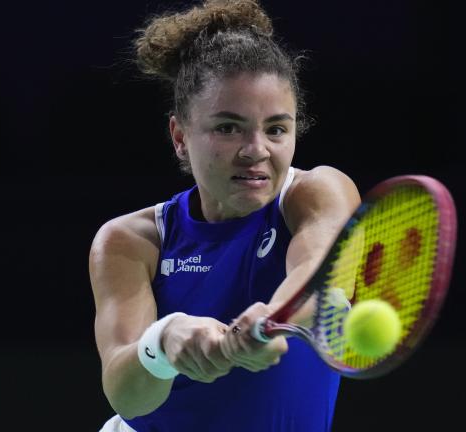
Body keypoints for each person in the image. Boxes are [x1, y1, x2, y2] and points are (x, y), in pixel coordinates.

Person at [89, 1, 361, 430]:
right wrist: (164, 341)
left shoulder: (317, 193)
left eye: (276, 129)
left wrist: (272, 320)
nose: (255, 150)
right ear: (180, 137)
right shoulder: (132, 240)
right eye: (228, 127)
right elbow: (127, 394)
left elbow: (320, 277)